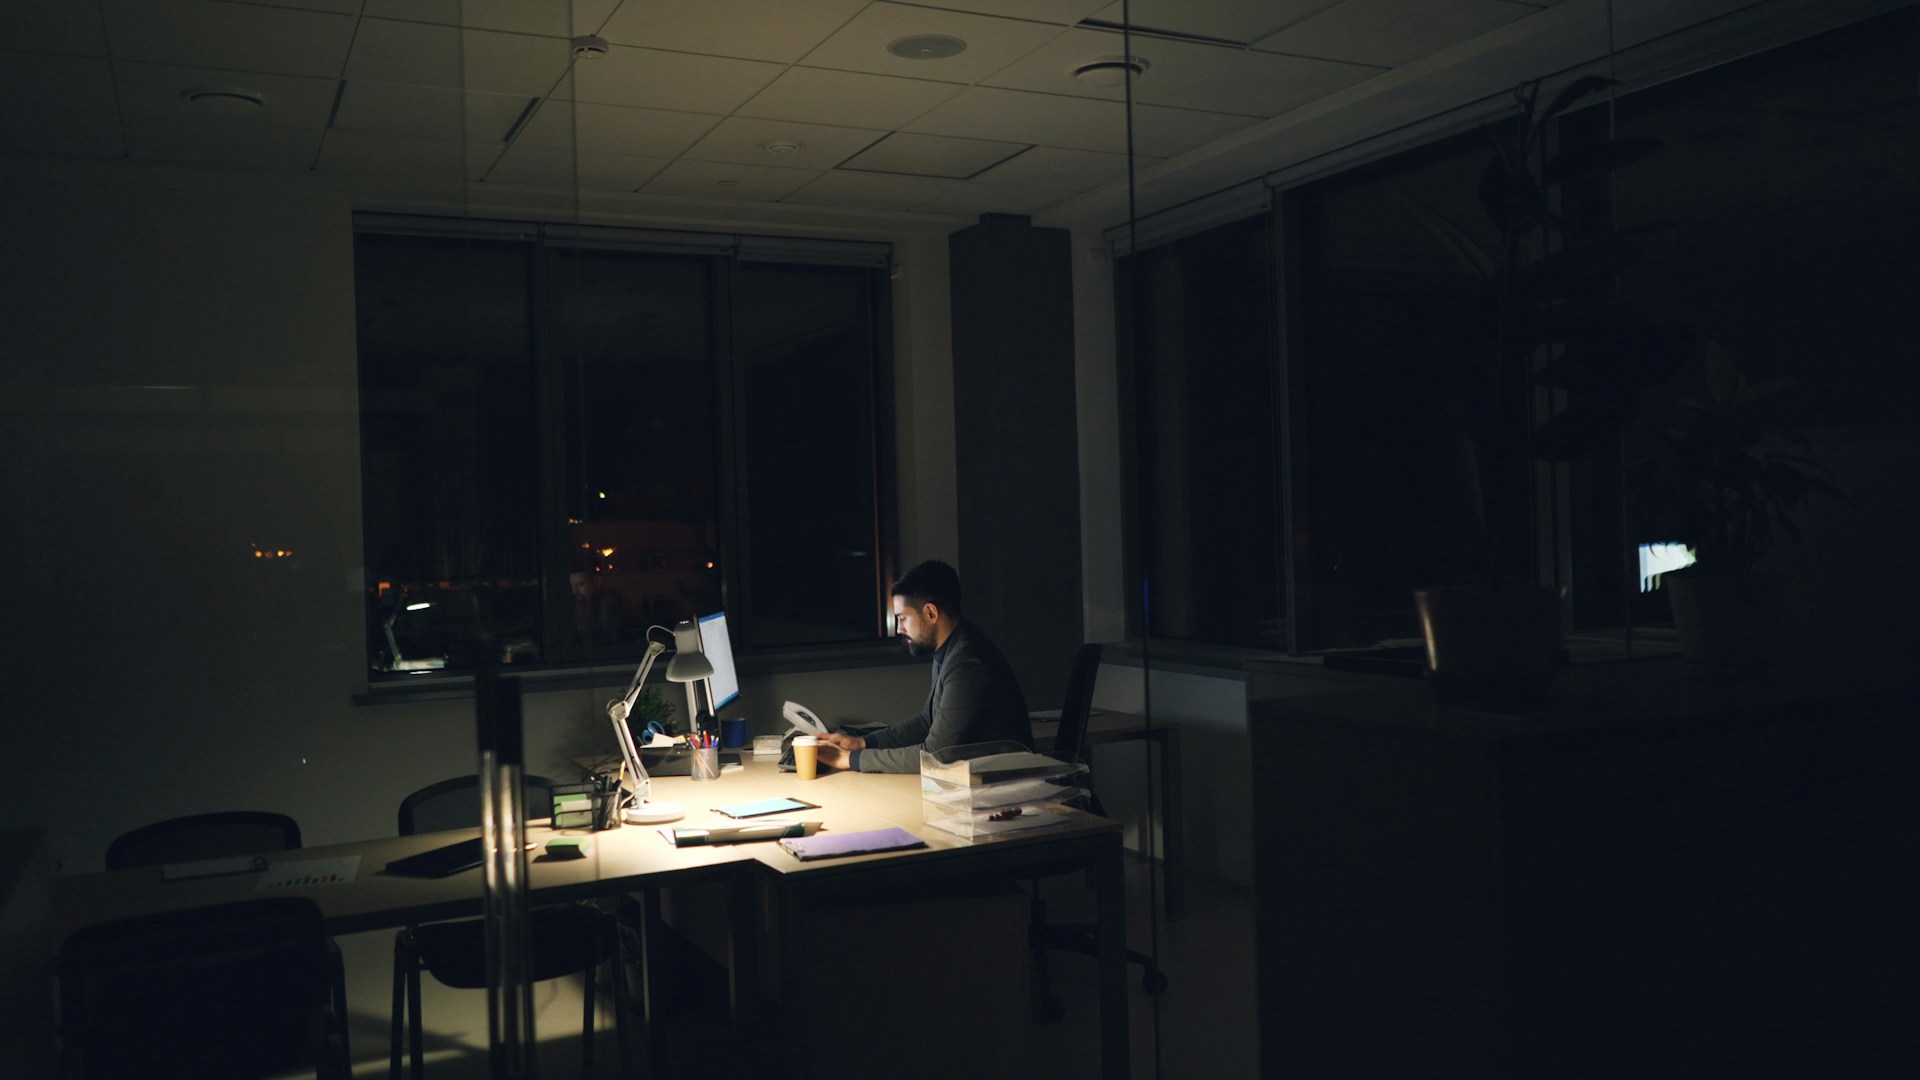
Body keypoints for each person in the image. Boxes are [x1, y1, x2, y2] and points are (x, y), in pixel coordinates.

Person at [815, 560, 1032, 773]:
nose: (899, 629)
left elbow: (935, 755)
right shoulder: (950, 648)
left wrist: (850, 760)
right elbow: (926, 722)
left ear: (931, 613)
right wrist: (861, 744)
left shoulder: (967, 663)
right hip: (977, 780)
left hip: (1005, 784)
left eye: (903, 618)